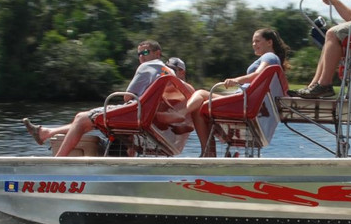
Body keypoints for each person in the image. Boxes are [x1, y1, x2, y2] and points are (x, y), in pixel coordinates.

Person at [22, 40, 173, 156]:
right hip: (156, 122)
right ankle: (46, 133)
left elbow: (127, 97)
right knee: (91, 121)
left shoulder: (147, 67)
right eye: (138, 54)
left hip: (139, 117)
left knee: (81, 118)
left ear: (157, 53)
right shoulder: (170, 72)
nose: (141, 57)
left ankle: (57, 161)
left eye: (145, 52)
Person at [186, 28, 289, 156]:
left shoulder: (269, 56)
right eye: (253, 42)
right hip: (246, 101)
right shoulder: (274, 59)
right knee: (200, 107)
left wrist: (236, 80)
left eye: (257, 41)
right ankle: (208, 152)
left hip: (244, 102)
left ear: (269, 42)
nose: (254, 44)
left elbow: (258, 74)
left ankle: (181, 116)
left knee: (200, 94)